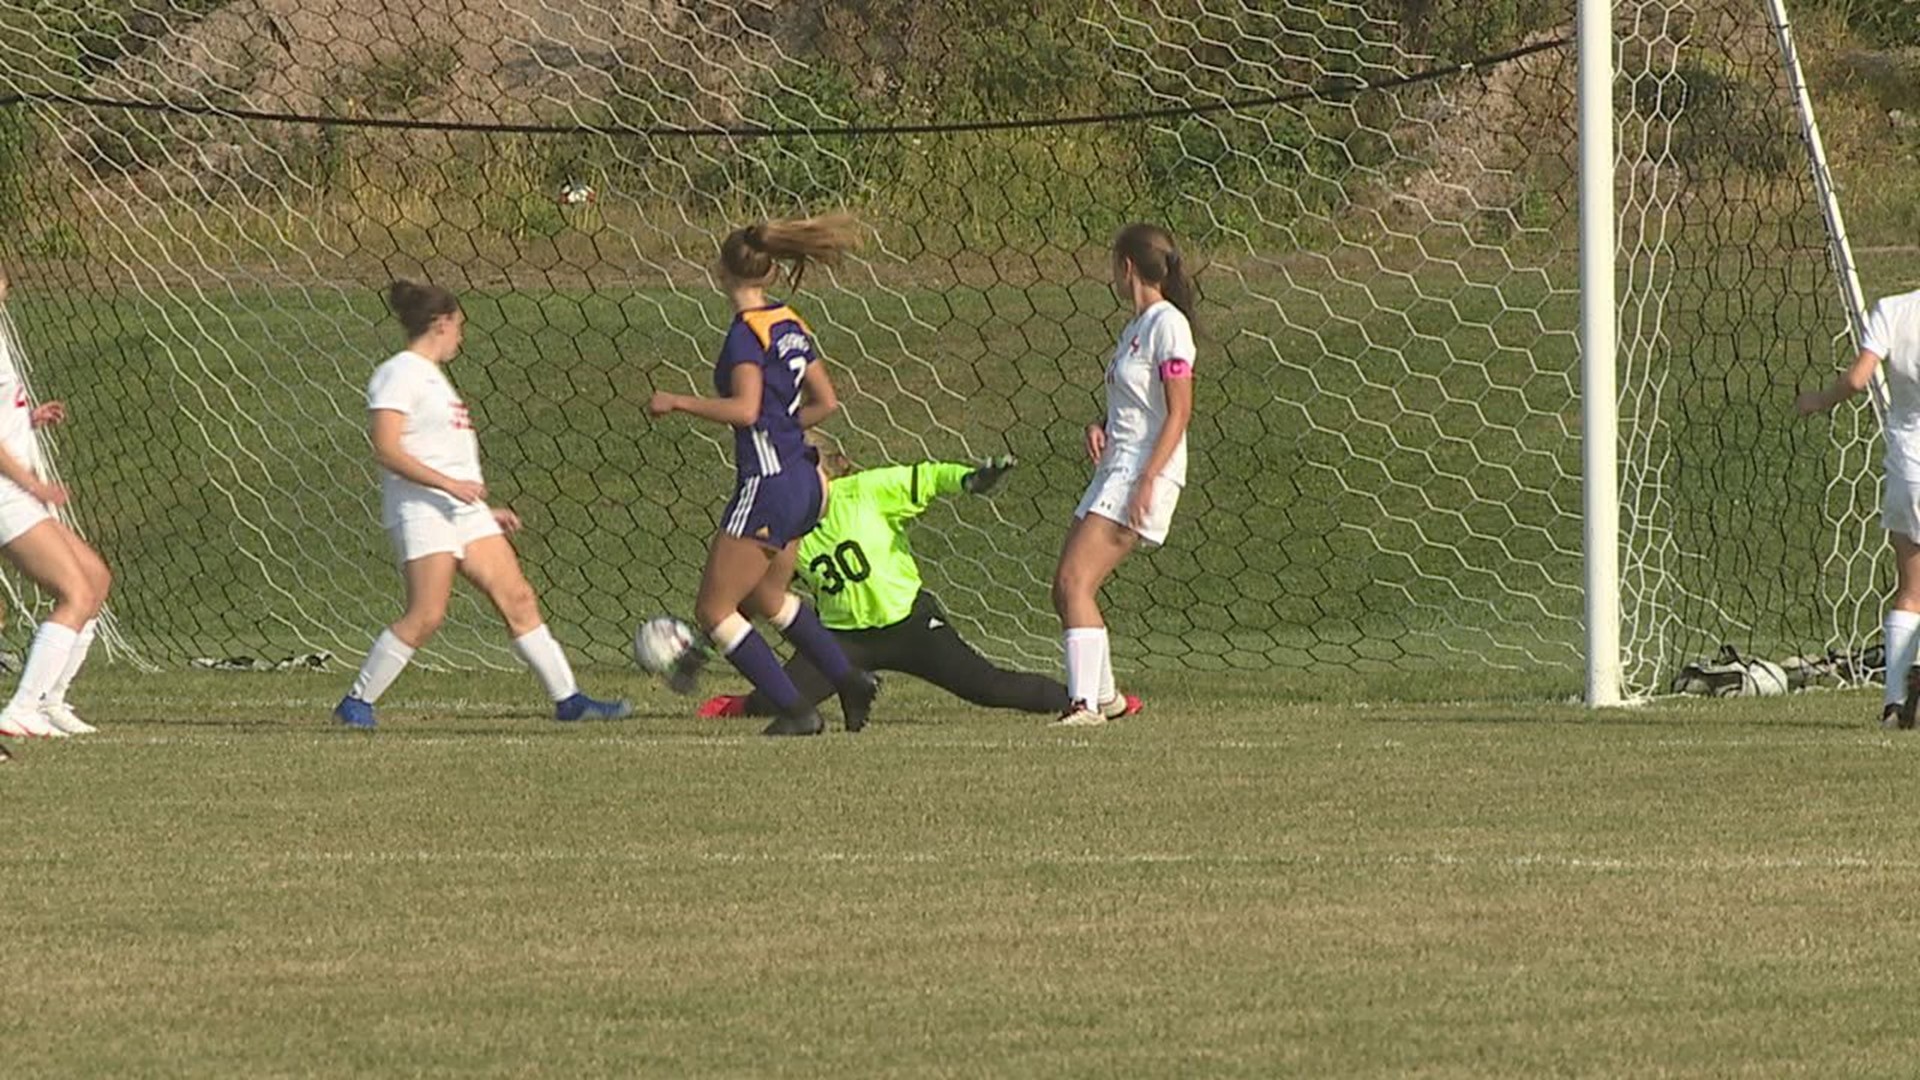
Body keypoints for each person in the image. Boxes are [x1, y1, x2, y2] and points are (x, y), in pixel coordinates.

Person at [333, 280, 628, 729]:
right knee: (427, 614)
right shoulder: (399, 372)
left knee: (519, 598)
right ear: (441, 323)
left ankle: (570, 700)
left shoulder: (435, 379)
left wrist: (478, 509)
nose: (462, 337)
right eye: (459, 326)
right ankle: (356, 702)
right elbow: (387, 449)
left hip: (461, 511)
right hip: (423, 509)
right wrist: (449, 484)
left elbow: (437, 448)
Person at [647, 213, 877, 737]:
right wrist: (785, 428)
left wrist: (678, 401)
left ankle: (796, 710)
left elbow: (747, 410)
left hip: (770, 482)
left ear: (720, 272)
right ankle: (850, 679)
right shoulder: (790, 322)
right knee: (767, 599)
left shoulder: (744, 336)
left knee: (714, 609)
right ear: (771, 272)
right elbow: (828, 400)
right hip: (806, 479)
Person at [698, 449, 1141, 721]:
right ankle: (736, 705)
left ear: (821, 474)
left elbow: (928, 477)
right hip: (841, 639)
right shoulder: (786, 524)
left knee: (986, 686)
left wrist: (969, 480)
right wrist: (708, 639)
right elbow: (760, 593)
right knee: (779, 700)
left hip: (909, 624)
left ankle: (1088, 699)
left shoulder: (865, 491)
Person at [1051, 224, 1197, 727]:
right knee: (1064, 586)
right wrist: (1102, 426)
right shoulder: (1132, 330)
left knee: (1076, 582)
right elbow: (1137, 406)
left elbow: (1179, 413)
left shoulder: (1168, 325)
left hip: (1141, 472)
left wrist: (1149, 479)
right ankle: (1107, 698)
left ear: (1127, 266)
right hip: (1117, 466)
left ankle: (1084, 706)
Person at [0, 271, 113, 742]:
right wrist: (34, 484)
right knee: (76, 594)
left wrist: (31, 418)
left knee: (96, 579)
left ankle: (49, 700)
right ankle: (21, 708)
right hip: (8, 493)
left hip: (18, 489)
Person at [1799, 290, 1920, 727]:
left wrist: (1818, 401)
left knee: (1910, 589)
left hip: (1909, 467)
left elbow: (1856, 379)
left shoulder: (1894, 309)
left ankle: (1893, 704)